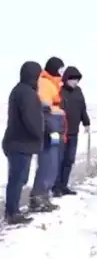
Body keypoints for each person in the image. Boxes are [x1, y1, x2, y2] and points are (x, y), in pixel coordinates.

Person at [2, 61, 45, 224]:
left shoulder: (19, 90)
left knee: (18, 178)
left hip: (16, 141)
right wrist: (39, 135)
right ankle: (12, 213)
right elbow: (31, 119)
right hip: (20, 142)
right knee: (17, 179)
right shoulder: (27, 93)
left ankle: (13, 211)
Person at [30, 56, 66, 212]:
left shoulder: (52, 84)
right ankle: (38, 197)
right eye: (60, 69)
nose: (61, 73)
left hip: (55, 128)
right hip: (50, 128)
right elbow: (45, 109)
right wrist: (51, 127)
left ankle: (44, 196)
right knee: (48, 162)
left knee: (53, 162)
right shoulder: (45, 84)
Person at [54, 66, 91, 196]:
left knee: (69, 159)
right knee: (59, 159)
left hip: (74, 131)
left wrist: (86, 122)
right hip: (61, 131)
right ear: (66, 79)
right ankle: (56, 187)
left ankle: (64, 186)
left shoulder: (78, 91)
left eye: (77, 80)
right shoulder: (59, 91)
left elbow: (82, 108)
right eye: (72, 79)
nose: (75, 82)